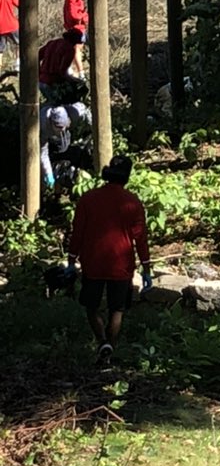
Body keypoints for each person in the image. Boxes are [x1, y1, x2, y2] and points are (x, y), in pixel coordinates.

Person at [66, 155, 152, 363]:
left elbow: (77, 232)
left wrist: (71, 259)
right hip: (121, 264)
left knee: (91, 306)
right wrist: (146, 267)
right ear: (127, 176)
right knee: (118, 309)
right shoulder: (132, 202)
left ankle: (101, 340)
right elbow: (140, 237)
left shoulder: (88, 198)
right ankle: (109, 347)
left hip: (93, 262)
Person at [40, 102, 93, 192]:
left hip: (67, 139)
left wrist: (92, 125)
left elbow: (84, 109)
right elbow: (43, 152)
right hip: (51, 144)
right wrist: (48, 173)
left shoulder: (74, 114)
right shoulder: (43, 127)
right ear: (51, 122)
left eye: (65, 126)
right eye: (59, 127)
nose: (62, 129)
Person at [39, 30, 88, 103]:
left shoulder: (52, 43)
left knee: (51, 103)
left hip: (41, 81)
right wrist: (75, 81)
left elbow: (37, 56)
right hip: (53, 84)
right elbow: (62, 72)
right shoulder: (69, 49)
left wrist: (39, 73)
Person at [62, 0, 88, 76]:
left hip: (77, 26)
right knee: (77, 48)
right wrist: (84, 17)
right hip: (76, 27)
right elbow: (74, 14)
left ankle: (71, 69)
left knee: (77, 48)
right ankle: (81, 73)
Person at [0, 0, 19, 72]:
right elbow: (19, 4)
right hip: (11, 24)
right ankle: (17, 65)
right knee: (19, 44)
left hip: (0, 27)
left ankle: (0, 67)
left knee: (0, 48)